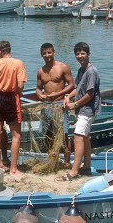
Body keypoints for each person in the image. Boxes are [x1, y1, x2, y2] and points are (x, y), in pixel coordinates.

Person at [0, 41, 27, 178]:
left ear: (0, 51)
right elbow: (20, 86)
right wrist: (18, 92)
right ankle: (13, 169)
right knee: (16, 135)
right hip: (11, 98)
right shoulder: (17, 63)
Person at [63, 42, 101, 180]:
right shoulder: (81, 70)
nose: (80, 56)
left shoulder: (91, 71)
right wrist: (68, 97)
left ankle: (74, 172)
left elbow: (90, 94)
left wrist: (76, 104)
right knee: (85, 138)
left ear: (88, 54)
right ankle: (86, 167)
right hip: (82, 109)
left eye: (83, 53)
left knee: (78, 137)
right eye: (77, 54)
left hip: (88, 110)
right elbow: (78, 88)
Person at [35, 43, 74, 167]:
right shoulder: (41, 71)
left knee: (64, 134)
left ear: (54, 52)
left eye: (49, 52)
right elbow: (38, 88)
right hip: (46, 105)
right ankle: (52, 159)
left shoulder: (63, 67)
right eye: (44, 53)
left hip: (59, 105)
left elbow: (72, 85)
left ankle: (67, 161)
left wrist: (59, 94)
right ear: (41, 55)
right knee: (48, 133)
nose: (47, 55)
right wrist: (40, 95)